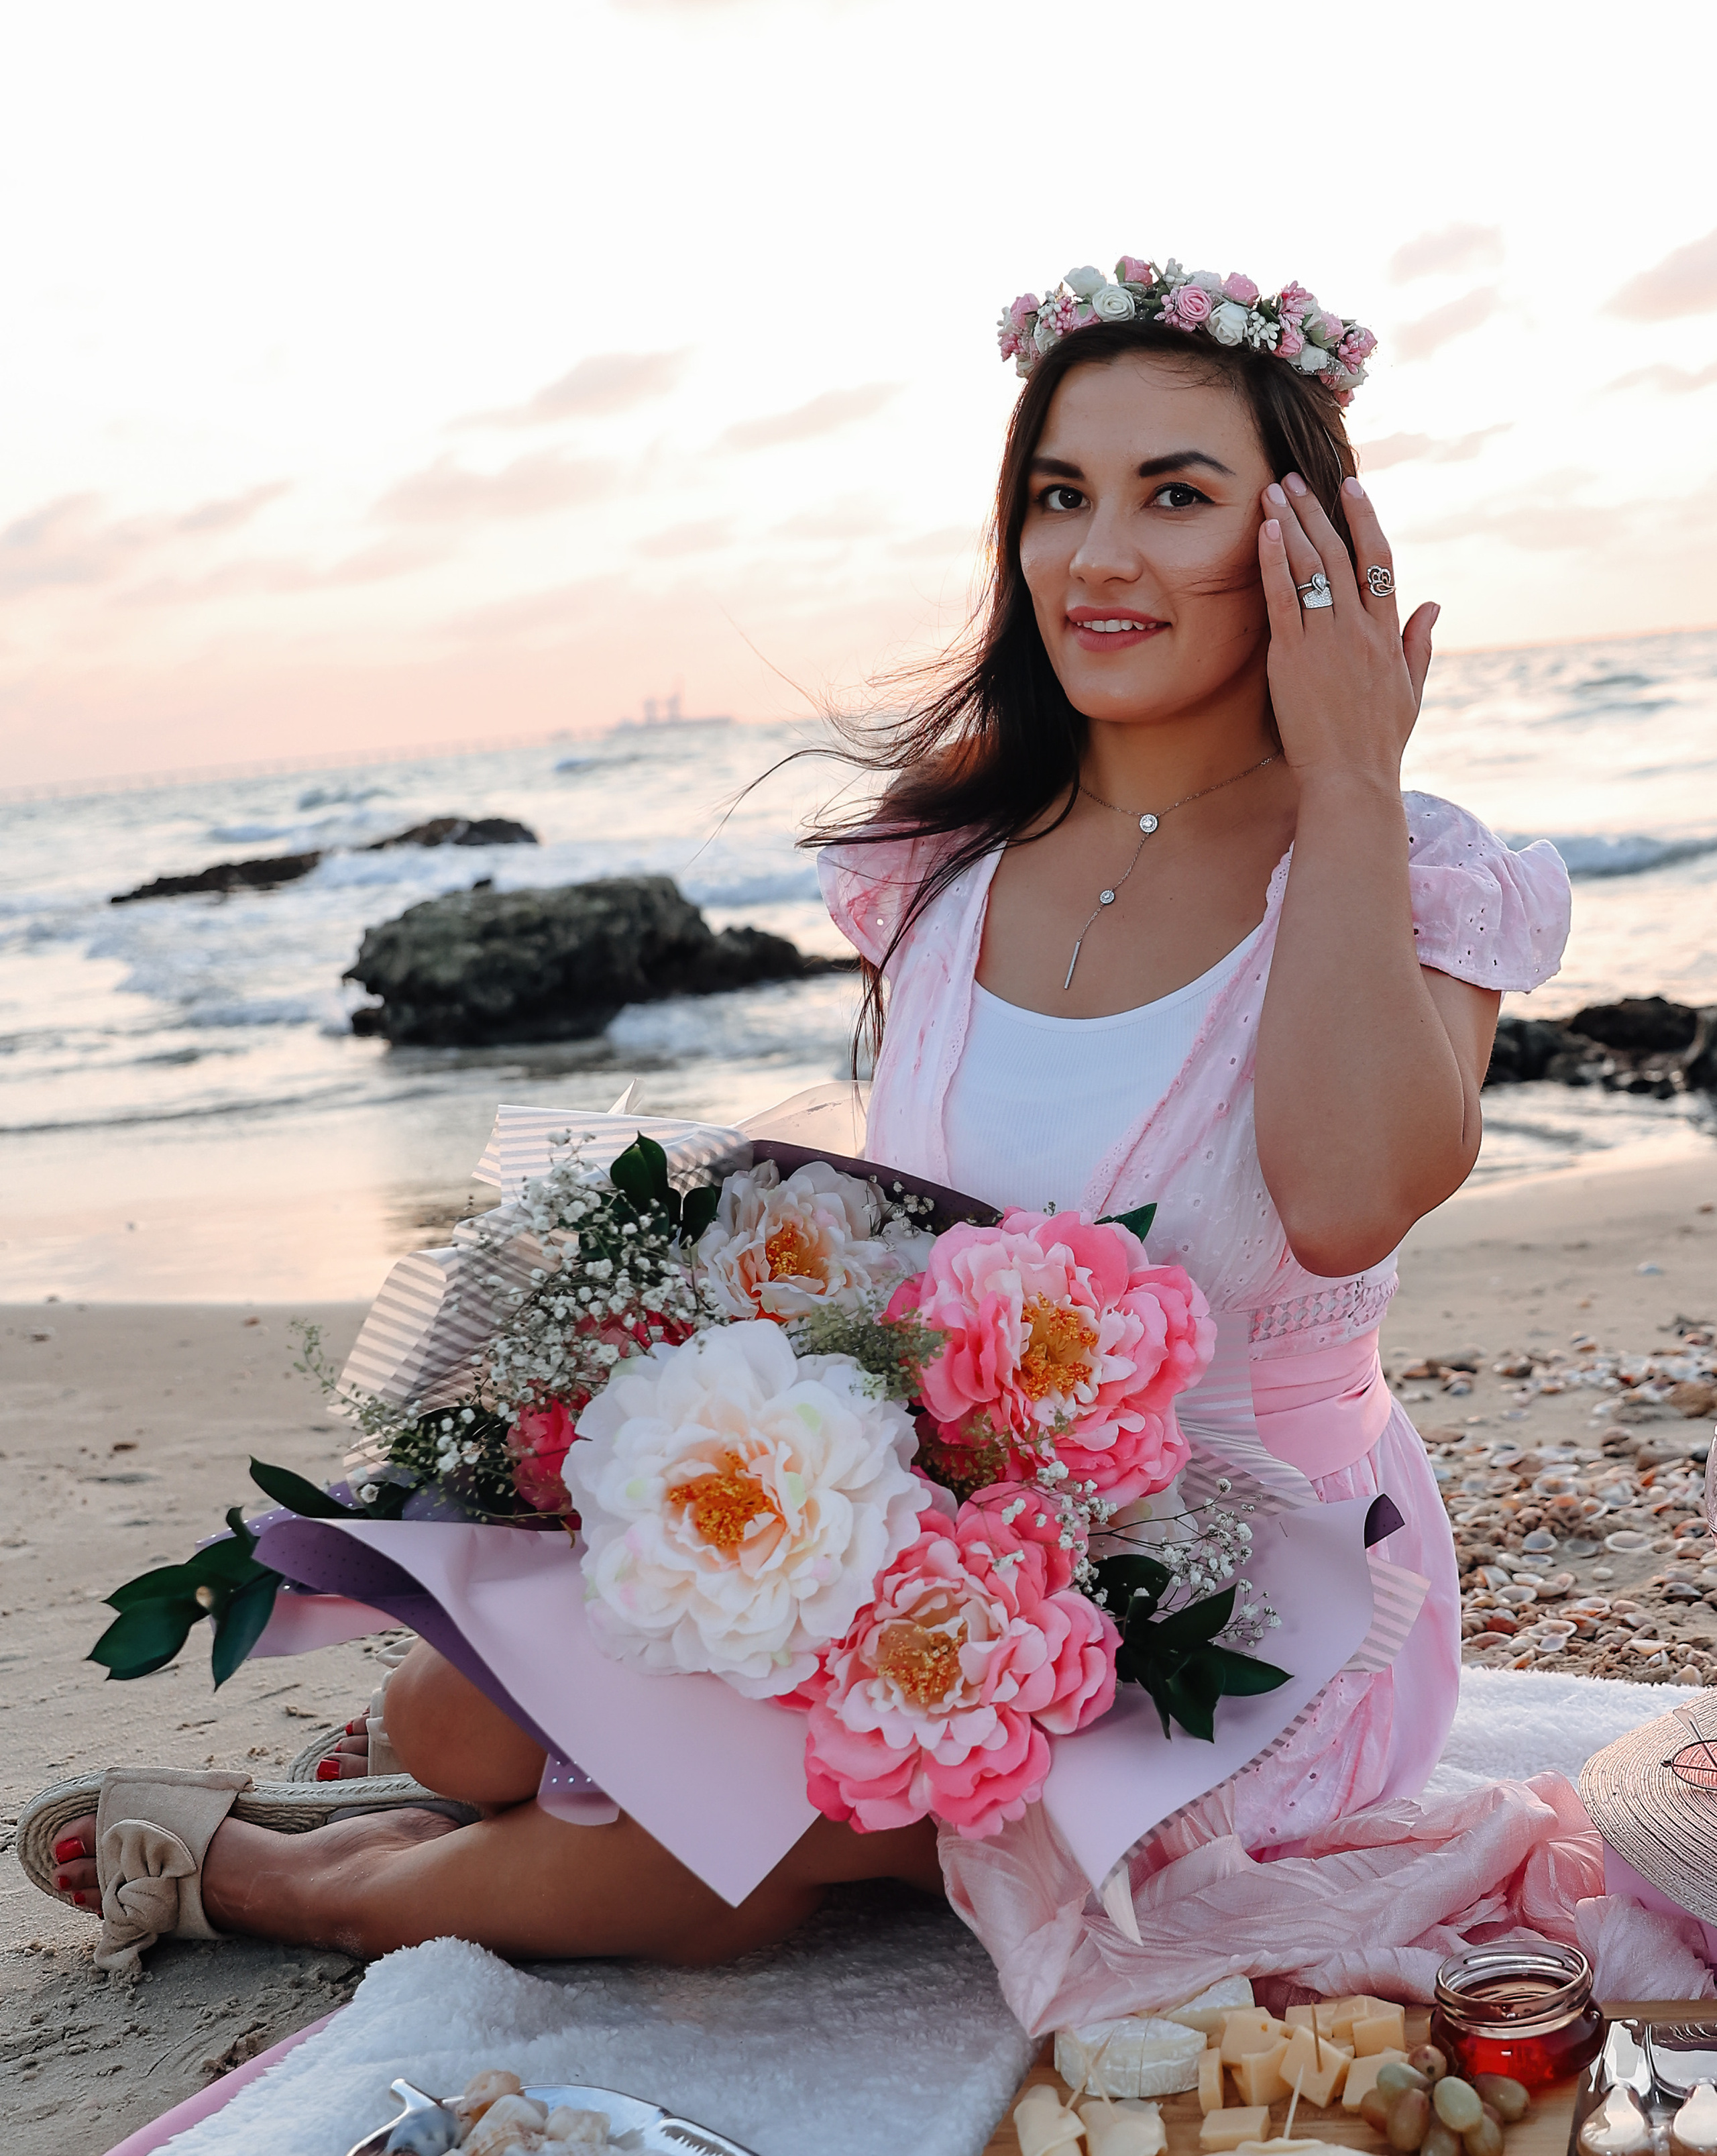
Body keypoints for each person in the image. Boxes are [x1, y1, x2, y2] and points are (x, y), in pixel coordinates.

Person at [33, 255, 1570, 1974]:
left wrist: (1346, 774)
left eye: (1176, 496)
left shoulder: (1411, 866)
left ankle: (292, 1883)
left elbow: (1352, 1198)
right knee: (463, 1729)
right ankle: (471, 1792)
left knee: (736, 1860)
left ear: (1305, 546)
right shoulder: (942, 875)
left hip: (1253, 1596)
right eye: (1058, 496)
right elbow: (905, 1246)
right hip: (945, 1517)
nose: (1101, 555)